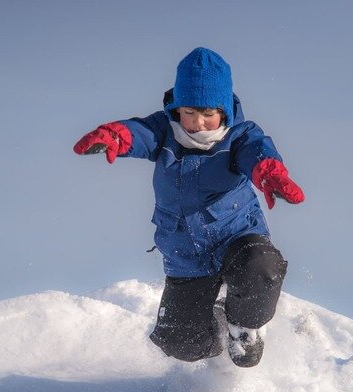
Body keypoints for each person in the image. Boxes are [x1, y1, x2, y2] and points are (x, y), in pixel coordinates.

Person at [73, 47, 305, 367]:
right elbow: (138, 133)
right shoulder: (164, 131)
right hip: (187, 254)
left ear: (223, 109)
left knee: (261, 267)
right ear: (177, 108)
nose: (197, 123)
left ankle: (244, 328)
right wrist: (116, 136)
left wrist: (270, 174)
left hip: (236, 236)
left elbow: (258, 154)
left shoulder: (239, 136)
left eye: (208, 113)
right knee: (179, 343)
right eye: (189, 112)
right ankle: (219, 325)